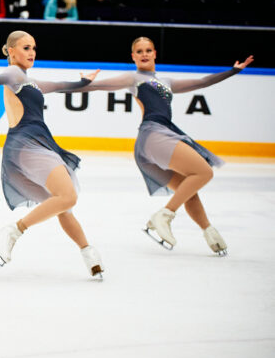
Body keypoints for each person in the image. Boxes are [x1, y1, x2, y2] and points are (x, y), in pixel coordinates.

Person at [72, 37, 253, 255]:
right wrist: (83, 82)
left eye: (148, 50)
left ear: (155, 53)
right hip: (154, 135)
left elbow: (203, 82)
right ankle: (164, 215)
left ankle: (209, 232)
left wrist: (233, 71)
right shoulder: (133, 78)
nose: (144, 54)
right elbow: (97, 87)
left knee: (188, 190)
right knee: (203, 172)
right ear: (133, 57)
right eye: (139, 51)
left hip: (157, 138)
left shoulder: (167, 81)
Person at [0, 31, 104, 278]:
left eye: (34, 48)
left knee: (63, 205)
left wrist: (82, 83)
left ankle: (88, 253)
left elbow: (58, 86)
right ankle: (12, 231)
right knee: (67, 197)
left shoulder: (29, 81)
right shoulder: (14, 74)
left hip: (38, 143)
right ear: (11, 51)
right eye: (26, 48)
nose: (32, 52)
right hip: (27, 144)